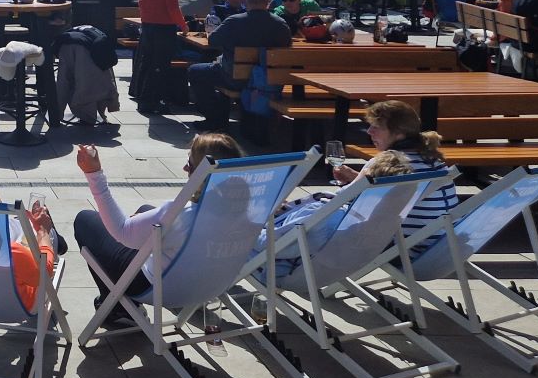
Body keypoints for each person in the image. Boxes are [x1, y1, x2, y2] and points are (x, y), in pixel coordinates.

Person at [72, 134, 243, 326]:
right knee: (146, 211)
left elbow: (122, 232)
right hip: (209, 287)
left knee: (85, 220)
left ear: (205, 174)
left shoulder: (181, 214)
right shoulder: (250, 214)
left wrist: (94, 173)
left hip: (158, 288)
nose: (185, 168)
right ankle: (118, 305)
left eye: (190, 164)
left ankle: (119, 309)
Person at [258, 150, 415, 278]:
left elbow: (271, 246)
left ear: (364, 179)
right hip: (329, 272)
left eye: (363, 170)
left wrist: (248, 227)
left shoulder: (325, 213)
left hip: (282, 270)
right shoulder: (377, 223)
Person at [342, 101, 459, 257]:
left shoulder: (387, 162)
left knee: (315, 229)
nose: (369, 131)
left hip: (406, 252)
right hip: (444, 248)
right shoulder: (433, 161)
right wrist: (359, 179)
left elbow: (342, 199)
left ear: (399, 133)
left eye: (377, 127)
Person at [187, 0, 292, 128]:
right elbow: (288, 46)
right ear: (267, 0)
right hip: (268, 80)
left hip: (234, 78)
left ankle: (214, 118)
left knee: (195, 71)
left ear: (244, 1)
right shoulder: (280, 24)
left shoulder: (234, 21)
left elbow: (213, 40)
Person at [131, 0, 188, 114]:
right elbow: (172, 8)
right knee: (160, 66)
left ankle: (144, 99)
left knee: (147, 63)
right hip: (164, 27)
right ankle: (153, 102)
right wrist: (183, 25)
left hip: (147, 25)